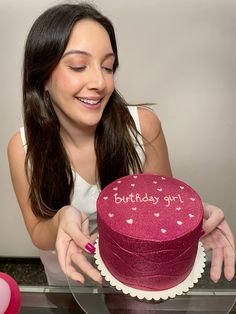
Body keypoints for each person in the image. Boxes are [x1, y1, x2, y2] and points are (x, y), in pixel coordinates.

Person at [7, 3, 235, 286]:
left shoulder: (144, 127)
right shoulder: (22, 148)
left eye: (107, 66)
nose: (99, 82)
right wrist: (62, 218)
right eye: (79, 66)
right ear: (42, 78)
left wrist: (192, 218)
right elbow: (38, 232)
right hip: (68, 275)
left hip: (134, 276)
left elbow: (162, 211)